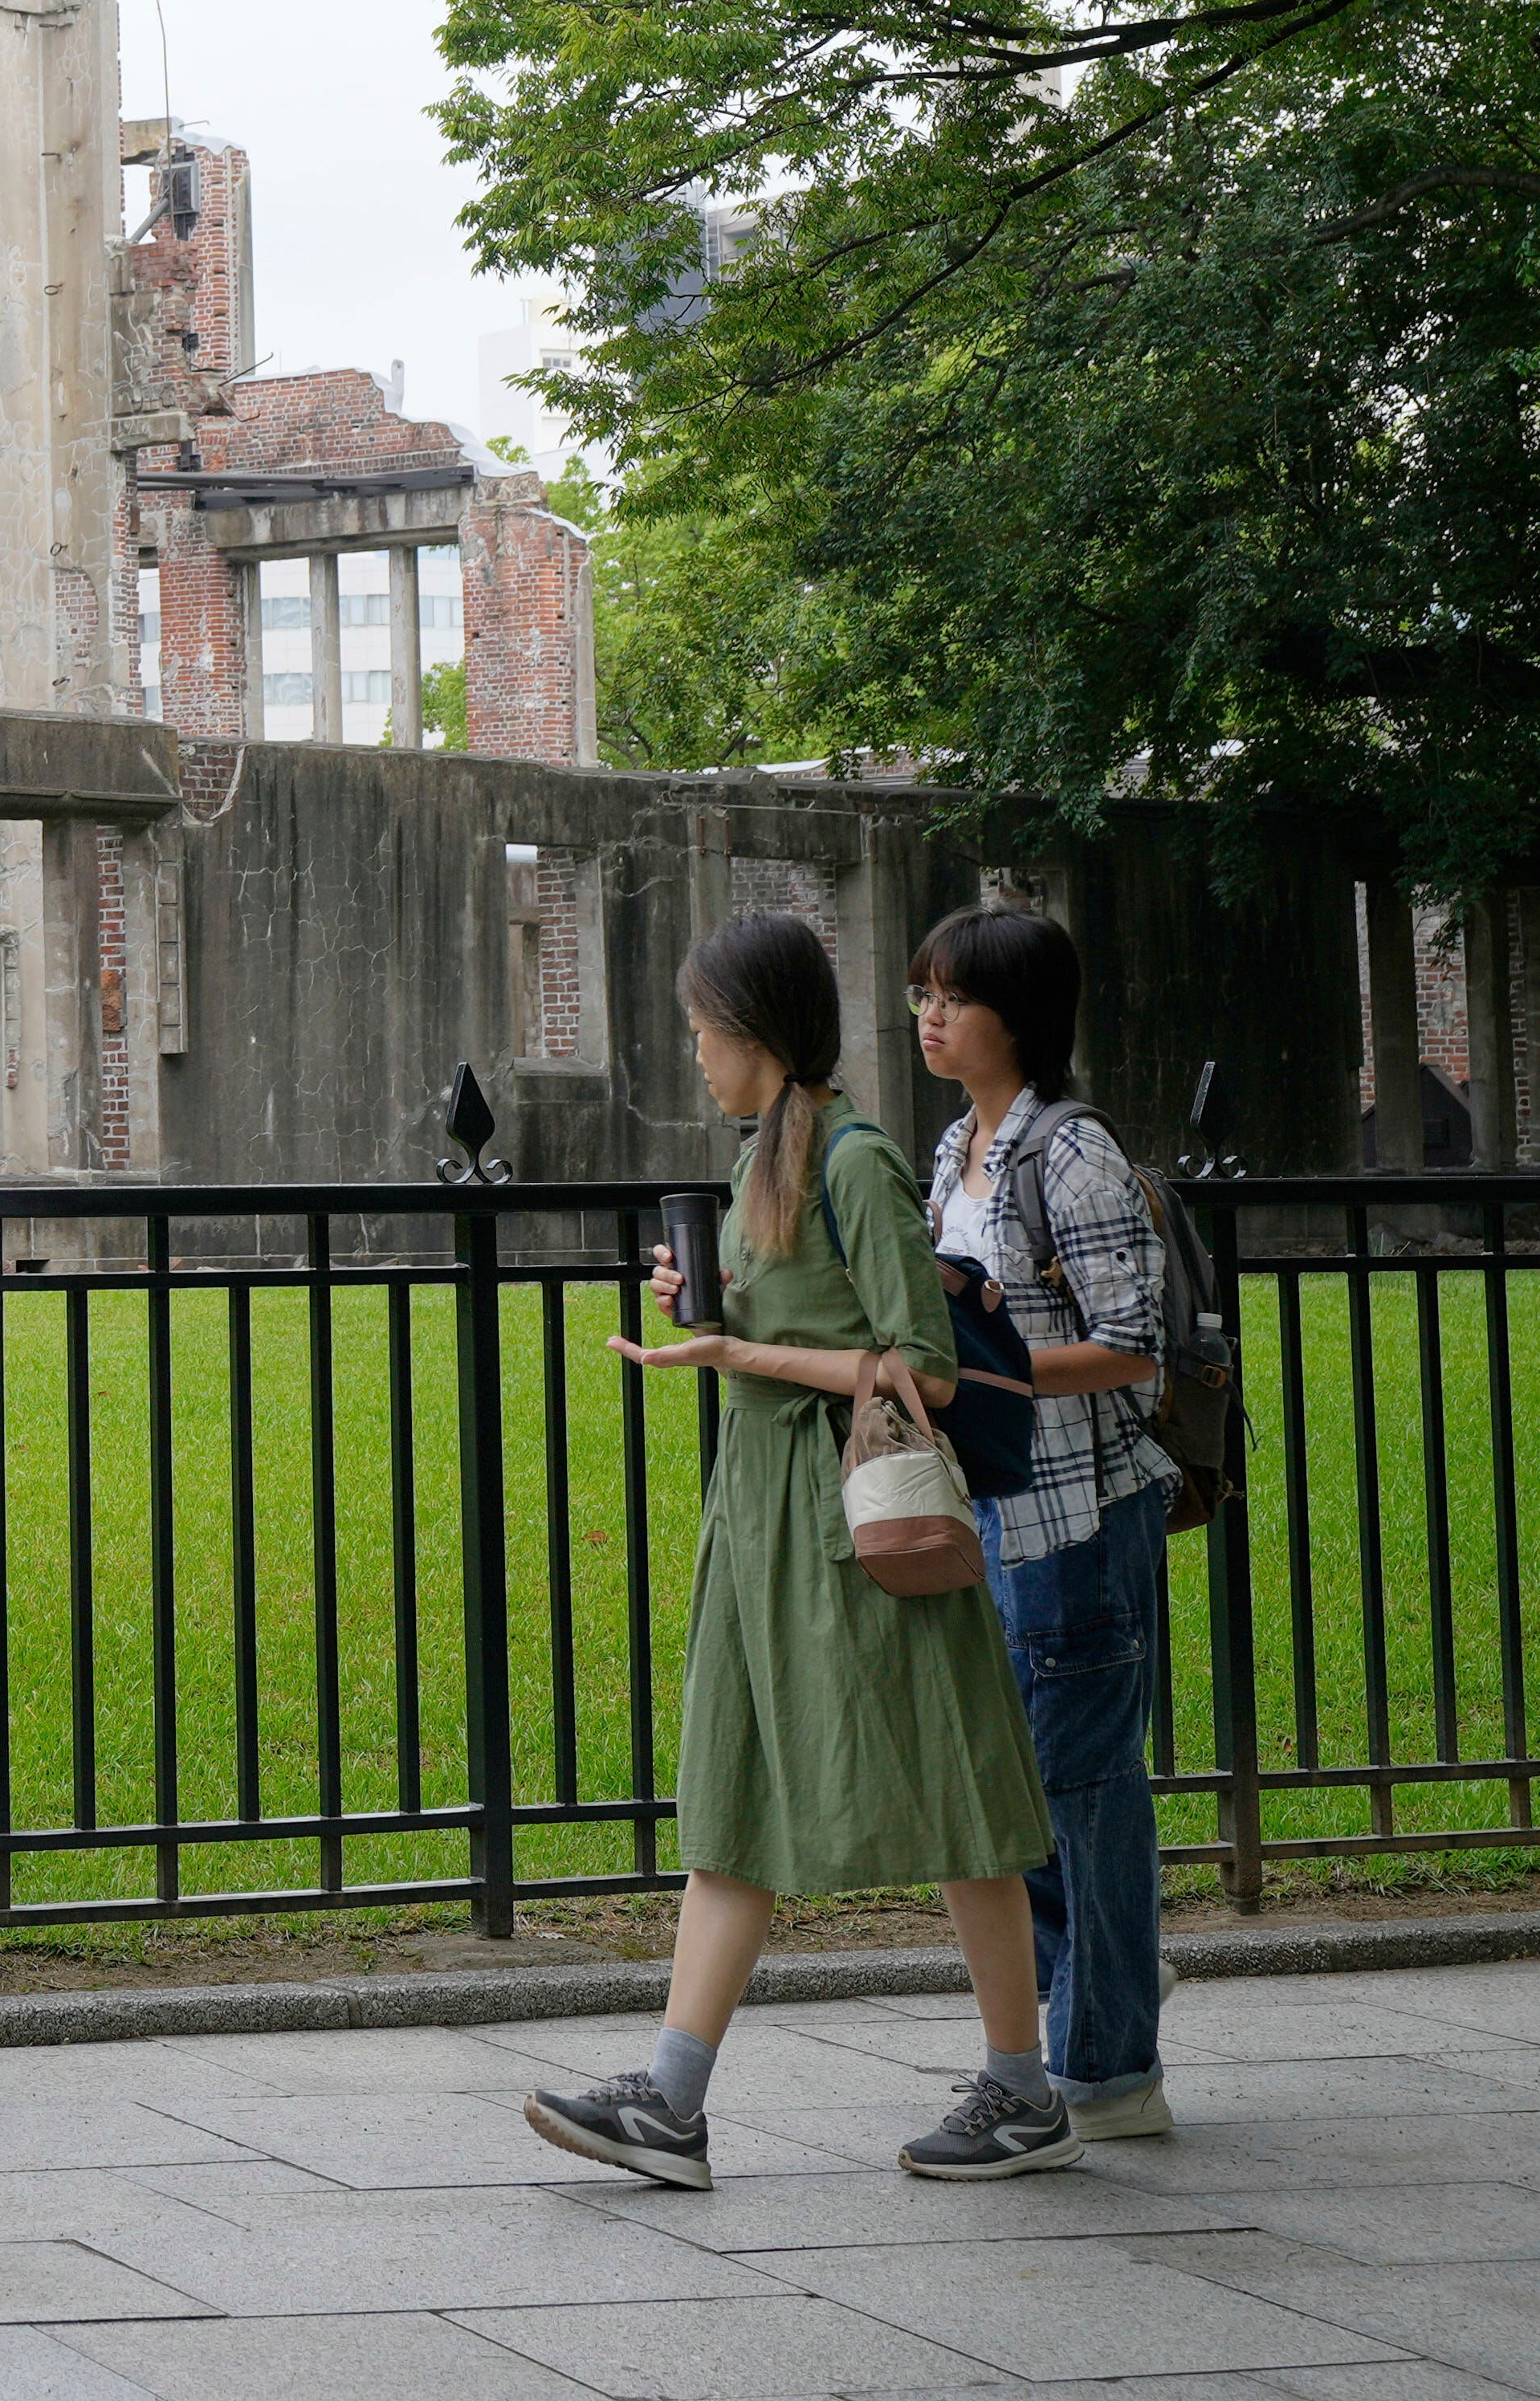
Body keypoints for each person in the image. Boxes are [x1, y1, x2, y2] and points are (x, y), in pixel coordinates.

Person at [522, 910, 1071, 2195]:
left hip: (857, 1512)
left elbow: (923, 1367)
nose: (696, 1053)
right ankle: (671, 2097)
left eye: (705, 1032)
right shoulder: (762, 1158)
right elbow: (794, 1312)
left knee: (956, 1791)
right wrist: (703, 1302)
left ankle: (1025, 2090)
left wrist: (735, 1351)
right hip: (763, 1510)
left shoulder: (858, 1159)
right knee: (734, 1792)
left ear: (757, 1033)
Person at [913, 902, 1180, 2142]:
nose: (930, 1014)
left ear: (1015, 1016)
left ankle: (1109, 2070)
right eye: (924, 993)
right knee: (1026, 1790)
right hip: (997, 1510)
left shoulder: (1070, 1152)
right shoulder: (952, 1151)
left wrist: (985, 1380)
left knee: (1080, 1792)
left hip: (1079, 1515)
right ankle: (1086, 2025)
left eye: (953, 997)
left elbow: (1133, 1346)